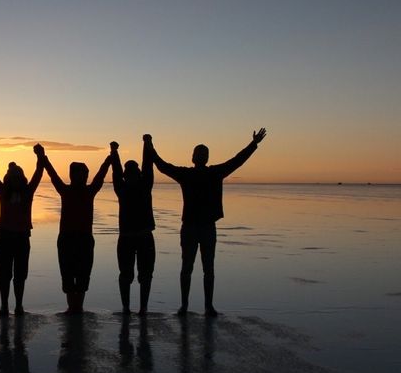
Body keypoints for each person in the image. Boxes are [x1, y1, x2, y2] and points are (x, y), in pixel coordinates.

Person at [150, 128, 267, 316]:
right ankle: (185, 305)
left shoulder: (214, 173)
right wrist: (150, 147)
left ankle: (208, 306)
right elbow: (163, 166)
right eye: (199, 153)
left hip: (206, 227)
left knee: (208, 269)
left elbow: (237, 160)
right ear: (193, 157)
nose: (201, 156)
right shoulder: (187, 174)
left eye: (204, 153)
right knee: (187, 267)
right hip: (190, 227)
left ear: (205, 158)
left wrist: (253, 144)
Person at [40, 144, 111, 314]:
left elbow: (101, 175)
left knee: (83, 275)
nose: (82, 177)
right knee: (68, 275)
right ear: (72, 175)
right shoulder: (65, 190)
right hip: (67, 238)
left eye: (84, 174)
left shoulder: (90, 190)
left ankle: (77, 307)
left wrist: (110, 157)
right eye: (78, 173)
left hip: (84, 239)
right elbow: (52, 174)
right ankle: (72, 307)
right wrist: (42, 157)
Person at [0, 142, 45, 315]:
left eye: (18, 177)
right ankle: (4, 305)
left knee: (20, 274)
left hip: (22, 238)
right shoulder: (3, 192)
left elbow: (39, 173)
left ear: (22, 179)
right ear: (8, 179)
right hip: (4, 237)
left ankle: (18, 305)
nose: (16, 180)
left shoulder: (28, 192)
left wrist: (40, 155)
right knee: (4, 275)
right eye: (12, 177)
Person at [108, 137, 155, 315]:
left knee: (145, 274)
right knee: (126, 274)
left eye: (135, 172)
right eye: (130, 173)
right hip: (127, 237)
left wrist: (147, 144)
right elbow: (116, 170)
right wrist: (114, 152)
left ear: (138, 174)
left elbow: (147, 164)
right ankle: (126, 307)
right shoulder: (122, 188)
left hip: (144, 236)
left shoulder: (145, 186)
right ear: (126, 176)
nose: (132, 176)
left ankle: (143, 307)